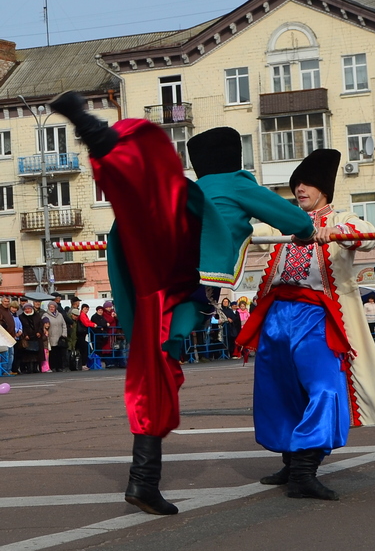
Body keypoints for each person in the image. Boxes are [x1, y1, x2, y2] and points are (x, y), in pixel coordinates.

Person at [50, 91, 315, 516]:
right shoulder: (236, 184)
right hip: (182, 277)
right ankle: (143, 478)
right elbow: (297, 221)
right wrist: (304, 235)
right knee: (160, 367)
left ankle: (144, 479)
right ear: (235, 158)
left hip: (149, 270)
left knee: (156, 364)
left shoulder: (196, 187)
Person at [237, 149, 375, 501]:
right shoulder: (282, 222)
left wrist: (335, 231)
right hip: (276, 316)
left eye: (308, 183)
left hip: (318, 318)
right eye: (296, 183)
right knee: (279, 391)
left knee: (324, 388)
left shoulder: (343, 218)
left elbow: (368, 235)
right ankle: (291, 462)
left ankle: (304, 469)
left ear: (324, 189)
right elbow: (247, 237)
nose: (300, 189)